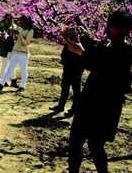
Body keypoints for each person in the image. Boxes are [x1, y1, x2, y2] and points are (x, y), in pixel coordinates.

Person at [64, 10, 132, 173]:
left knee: (95, 146)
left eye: (113, 26)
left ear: (125, 29)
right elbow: (94, 55)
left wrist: (81, 51)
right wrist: (79, 45)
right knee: (75, 143)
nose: (109, 28)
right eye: (109, 24)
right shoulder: (107, 46)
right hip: (89, 102)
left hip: (106, 106)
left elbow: (100, 61)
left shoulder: (126, 50)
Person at [0, 15, 34, 92]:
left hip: (23, 53)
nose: (20, 24)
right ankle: (2, 84)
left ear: (26, 22)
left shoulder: (30, 31)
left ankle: (22, 86)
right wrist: (14, 35)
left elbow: (26, 43)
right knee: (10, 69)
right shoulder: (21, 29)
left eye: (22, 22)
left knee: (23, 70)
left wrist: (19, 34)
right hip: (15, 52)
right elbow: (17, 40)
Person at [48, 44, 84, 117]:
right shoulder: (70, 36)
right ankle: (61, 106)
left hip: (77, 65)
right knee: (64, 85)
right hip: (68, 63)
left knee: (76, 88)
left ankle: (74, 109)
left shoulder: (84, 38)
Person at [0, 14, 19, 88]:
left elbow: (20, 35)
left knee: (13, 65)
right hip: (5, 48)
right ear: (5, 20)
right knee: (5, 65)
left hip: (13, 48)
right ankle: (4, 81)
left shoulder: (15, 27)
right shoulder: (1, 27)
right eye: (8, 20)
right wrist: (3, 38)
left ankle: (13, 81)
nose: (9, 22)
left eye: (11, 20)